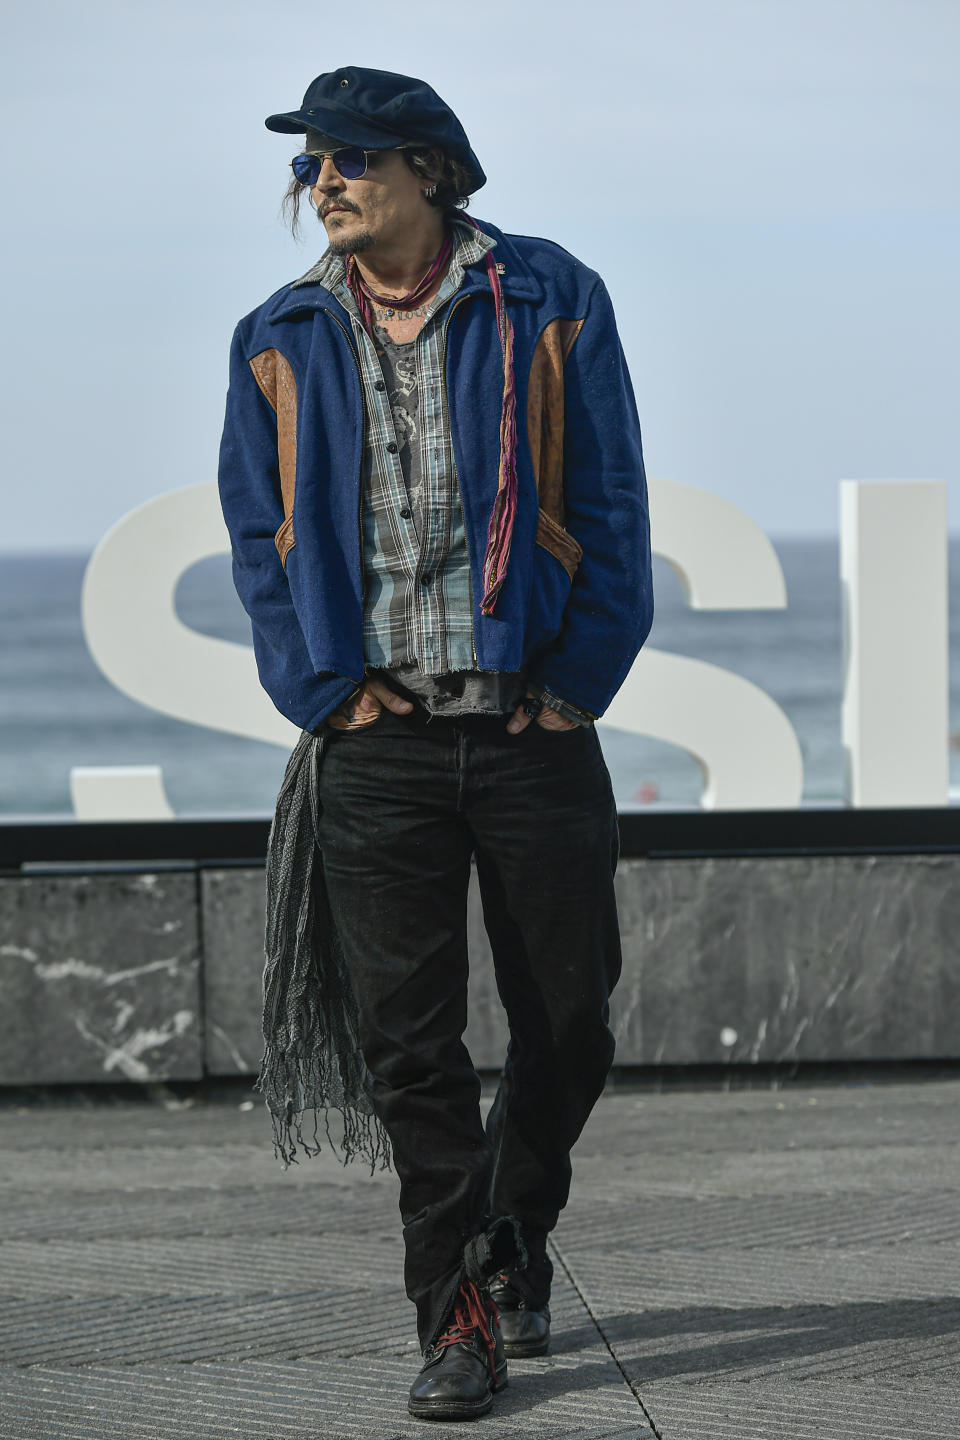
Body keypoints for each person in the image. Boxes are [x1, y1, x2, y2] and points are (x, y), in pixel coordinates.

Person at [217, 65, 653, 1423]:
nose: (324, 184)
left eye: (349, 159)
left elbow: (614, 498)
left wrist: (578, 679)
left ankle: (516, 1234)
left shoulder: (550, 296)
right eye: (311, 165)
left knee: (568, 1024)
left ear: (431, 172)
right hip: (378, 743)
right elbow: (254, 531)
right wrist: (320, 690)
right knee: (412, 1054)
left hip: (531, 727)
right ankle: (456, 1314)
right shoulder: (277, 332)